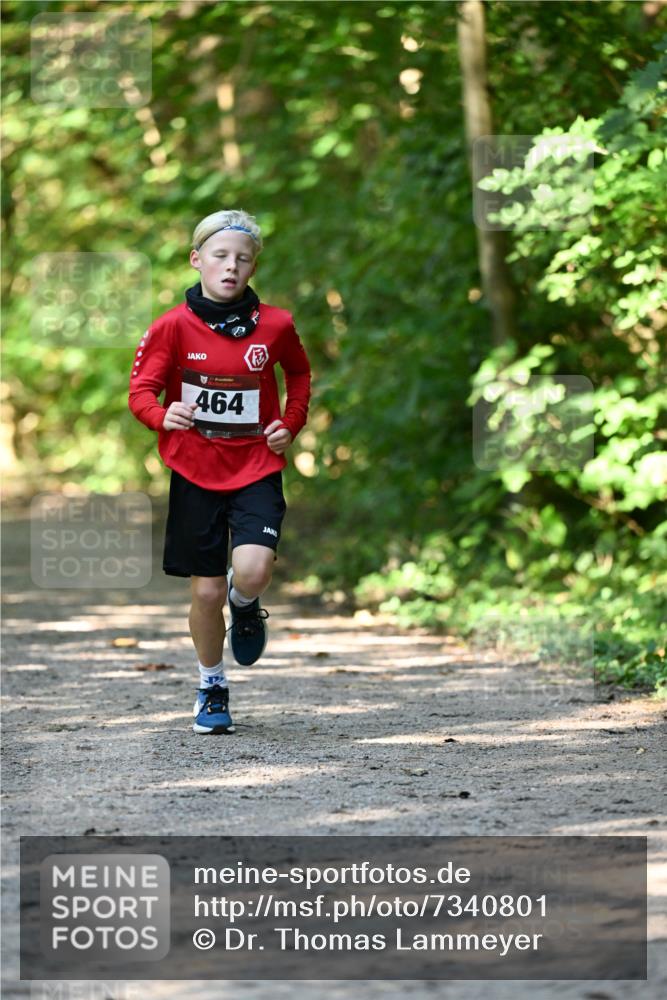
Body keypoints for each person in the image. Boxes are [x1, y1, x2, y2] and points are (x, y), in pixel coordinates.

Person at [128, 209, 311, 734]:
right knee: (204, 595)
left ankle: (246, 601)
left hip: (256, 465)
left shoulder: (276, 325)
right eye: (220, 256)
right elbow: (141, 392)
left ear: (253, 268)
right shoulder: (171, 326)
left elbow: (298, 375)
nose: (231, 267)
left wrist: (289, 424)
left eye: (243, 259)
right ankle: (211, 685)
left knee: (252, 571)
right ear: (197, 260)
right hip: (194, 471)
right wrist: (163, 415)